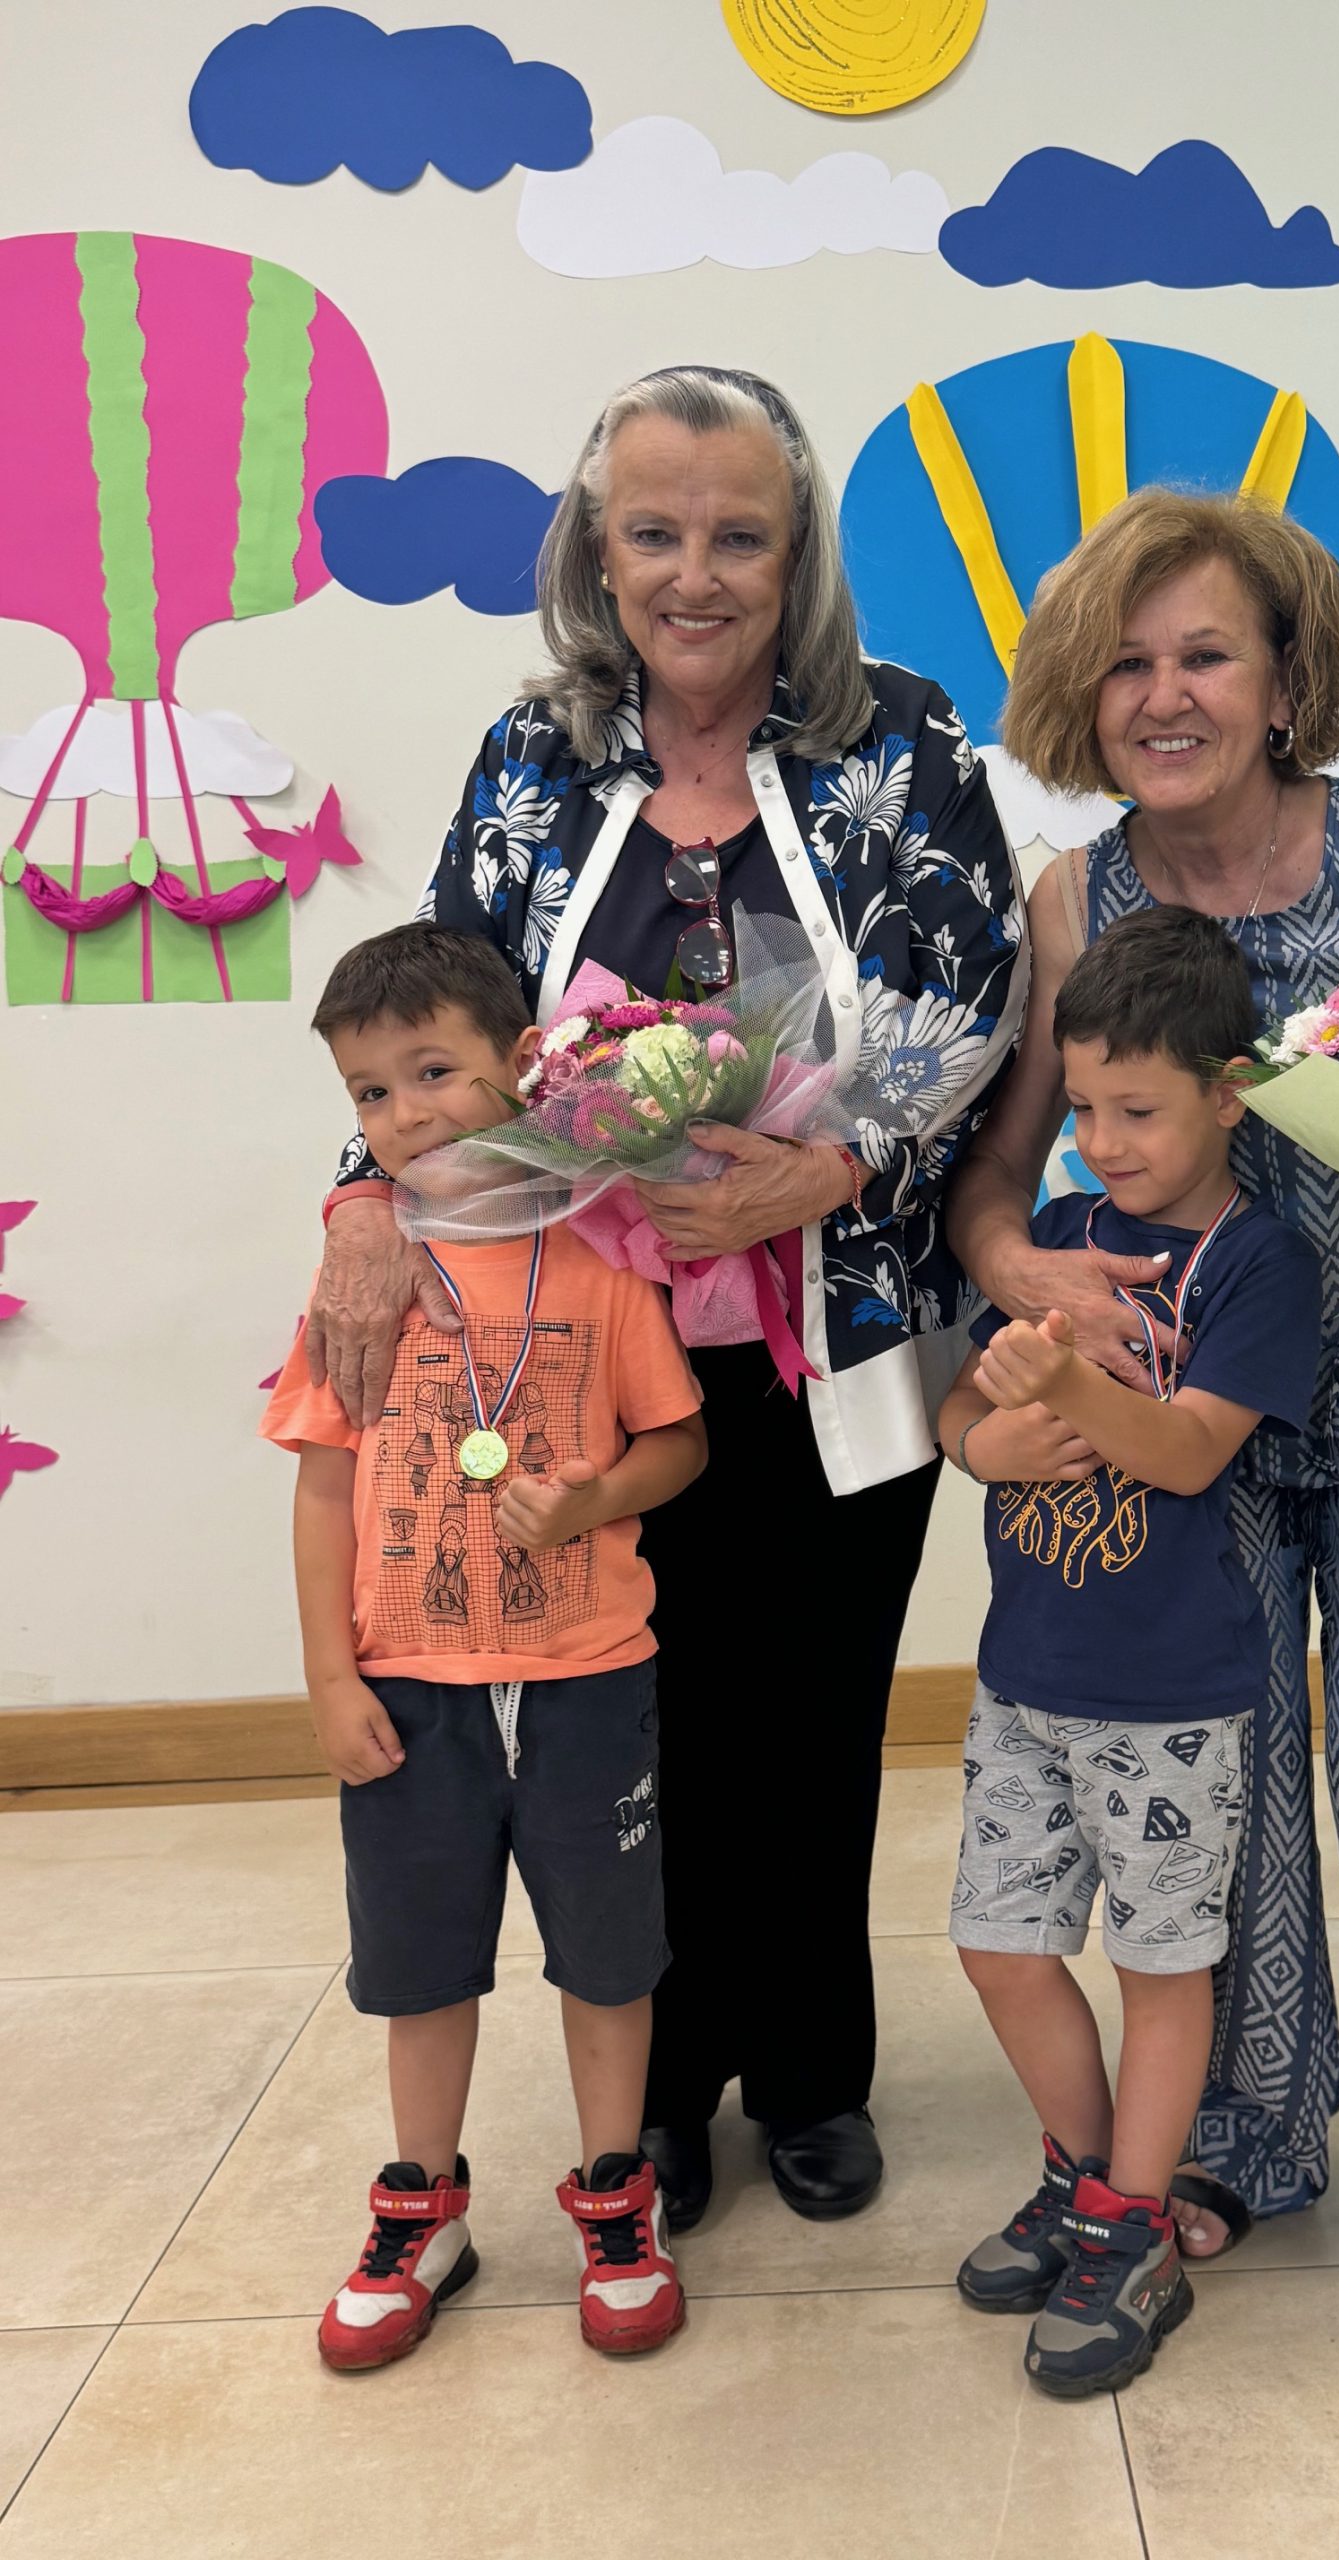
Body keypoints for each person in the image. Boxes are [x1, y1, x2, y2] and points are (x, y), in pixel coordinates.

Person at [301, 366, 1025, 2231]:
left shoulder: (905, 739)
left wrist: (832, 1166)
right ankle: (668, 2091)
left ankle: (812, 2073)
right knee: (631, 1722)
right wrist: (360, 1200)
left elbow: (973, 988)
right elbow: (433, 1017)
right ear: (597, 552)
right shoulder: (529, 757)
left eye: (740, 536)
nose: (696, 573)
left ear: (799, 558)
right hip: (582, 1353)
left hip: (843, 1334)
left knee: (814, 1716)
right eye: (656, 533)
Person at [947, 486, 1339, 2313]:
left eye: (1207, 655)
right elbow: (996, 1185)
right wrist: (1026, 1278)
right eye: (1129, 663)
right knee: (1254, 1807)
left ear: (1286, 681)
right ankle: (1257, 2133)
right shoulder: (1079, 899)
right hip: (1193, 1426)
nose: (1167, 695)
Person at [262, 923, 709, 2370]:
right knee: (419, 1965)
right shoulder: (359, 1279)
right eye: (370, 1093)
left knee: (609, 1960)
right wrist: (330, 1676)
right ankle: (422, 2205)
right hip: (409, 1691)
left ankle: (616, 2194)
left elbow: (680, 1443)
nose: (404, 1114)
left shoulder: (600, 1256)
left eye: (434, 1072)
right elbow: (322, 1487)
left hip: (589, 1676)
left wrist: (591, 1498)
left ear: (521, 1063)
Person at [939, 907, 1320, 2396]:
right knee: (999, 1944)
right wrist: (992, 1441)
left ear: (1230, 1095)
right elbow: (960, 1415)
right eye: (1084, 1109)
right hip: (1023, 1676)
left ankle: (1131, 2231)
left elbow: (1185, 1451)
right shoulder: (1058, 1246)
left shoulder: (1256, 1263)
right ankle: (1091, 2180)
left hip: (1168, 1699)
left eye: (1138, 1111)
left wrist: (1064, 1391)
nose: (1102, 1143)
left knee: (1162, 1967)